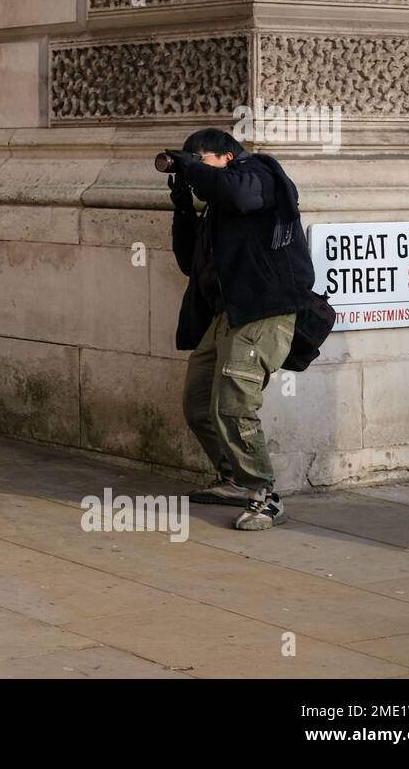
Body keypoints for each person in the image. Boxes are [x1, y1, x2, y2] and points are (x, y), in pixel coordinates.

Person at [165, 128, 314, 531]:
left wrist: (194, 172)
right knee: (198, 404)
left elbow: (240, 195)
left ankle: (264, 495)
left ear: (227, 158)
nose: (195, 171)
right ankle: (232, 478)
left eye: (201, 162)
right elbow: (188, 263)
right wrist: (183, 207)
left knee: (234, 404)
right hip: (228, 314)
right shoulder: (218, 207)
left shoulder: (260, 174)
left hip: (264, 310)